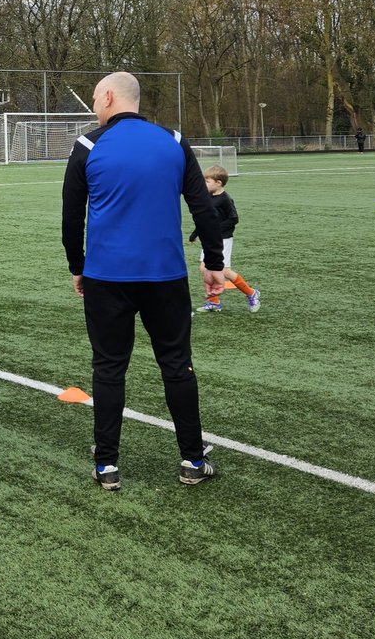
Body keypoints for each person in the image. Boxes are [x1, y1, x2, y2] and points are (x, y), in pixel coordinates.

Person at [62, 71, 225, 490]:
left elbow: (70, 218)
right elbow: (204, 208)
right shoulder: (173, 142)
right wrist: (212, 262)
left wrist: (76, 265)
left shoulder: (87, 146)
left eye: (96, 99)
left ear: (111, 97)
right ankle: (191, 459)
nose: (94, 107)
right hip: (165, 277)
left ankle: (107, 466)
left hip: (106, 277)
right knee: (177, 365)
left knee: (109, 368)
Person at [191, 164, 260, 314]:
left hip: (223, 239)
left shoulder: (225, 199)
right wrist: (196, 233)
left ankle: (251, 293)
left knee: (224, 271)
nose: (204, 185)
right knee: (203, 268)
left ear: (218, 183)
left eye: (207, 182)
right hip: (210, 239)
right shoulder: (208, 197)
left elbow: (233, 219)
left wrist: (215, 230)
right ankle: (214, 302)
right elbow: (206, 219)